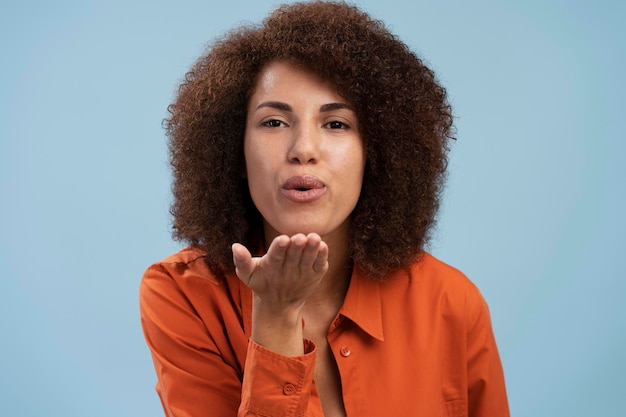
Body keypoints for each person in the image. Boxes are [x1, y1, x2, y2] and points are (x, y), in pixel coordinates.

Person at [139, 1, 510, 416]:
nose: (304, 151)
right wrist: (277, 315)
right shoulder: (182, 294)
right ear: (234, 155)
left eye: (336, 124)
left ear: (377, 153)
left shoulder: (451, 303)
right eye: (274, 123)